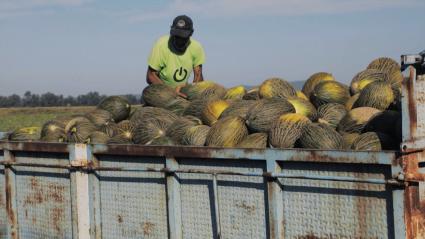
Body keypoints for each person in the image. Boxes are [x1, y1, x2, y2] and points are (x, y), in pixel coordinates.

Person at [146, 15, 205, 97]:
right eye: (176, 36)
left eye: (183, 37)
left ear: (191, 33)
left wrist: (188, 89)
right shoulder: (160, 45)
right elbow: (150, 76)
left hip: (182, 90)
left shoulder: (197, 47)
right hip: (162, 92)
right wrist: (172, 92)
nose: (179, 40)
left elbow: (198, 77)